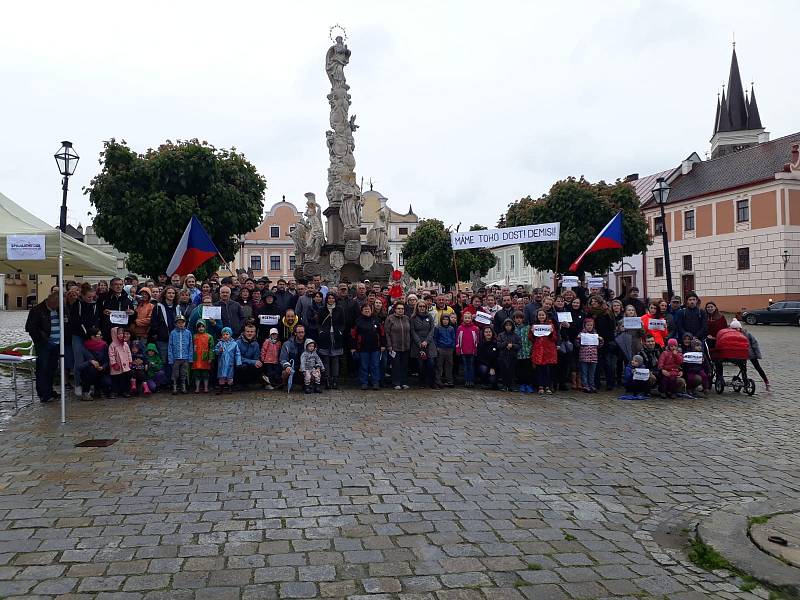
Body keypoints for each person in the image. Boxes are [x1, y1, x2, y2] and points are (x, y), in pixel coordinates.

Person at [25, 292, 61, 403]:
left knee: (52, 368)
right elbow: (30, 328)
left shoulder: (59, 309)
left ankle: (49, 391)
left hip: (57, 343)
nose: (60, 306)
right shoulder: (37, 310)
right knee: (43, 369)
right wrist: (41, 340)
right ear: (52, 302)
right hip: (44, 344)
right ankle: (43, 394)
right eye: (58, 304)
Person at [730, 319, 769, 391]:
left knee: (758, 367)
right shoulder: (731, 335)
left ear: (740, 328)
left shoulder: (747, 334)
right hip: (740, 355)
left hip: (750, 353)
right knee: (743, 369)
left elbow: (754, 344)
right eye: (733, 329)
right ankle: (745, 384)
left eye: (736, 328)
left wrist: (757, 355)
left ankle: (766, 382)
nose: (735, 330)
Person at [351, 303, 383, 391]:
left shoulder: (376, 320)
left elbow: (382, 333)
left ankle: (375, 382)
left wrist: (383, 345)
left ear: (371, 310)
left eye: (368, 309)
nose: (367, 310)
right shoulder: (358, 321)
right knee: (364, 366)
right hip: (362, 347)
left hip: (375, 347)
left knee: (375, 365)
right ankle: (364, 383)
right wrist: (353, 347)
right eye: (365, 309)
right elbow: (353, 335)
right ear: (362, 311)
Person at [317, 293, 345, 389]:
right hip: (325, 336)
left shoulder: (339, 309)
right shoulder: (322, 309)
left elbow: (342, 323)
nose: (331, 300)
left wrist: (340, 331)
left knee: (335, 358)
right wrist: (321, 331)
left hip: (336, 335)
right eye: (329, 298)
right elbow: (319, 323)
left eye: (333, 298)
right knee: (326, 358)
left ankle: (335, 380)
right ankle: (327, 379)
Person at [75, 327, 111, 400]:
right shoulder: (83, 347)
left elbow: (107, 360)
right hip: (88, 373)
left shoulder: (104, 345)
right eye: (99, 335)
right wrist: (90, 362)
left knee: (107, 382)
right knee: (91, 370)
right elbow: (78, 367)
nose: (101, 337)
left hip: (101, 371)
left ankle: (98, 390)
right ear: (92, 336)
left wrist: (103, 367)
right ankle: (86, 392)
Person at [384, 301, 411, 390]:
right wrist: (389, 345)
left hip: (406, 346)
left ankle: (404, 382)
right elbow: (387, 333)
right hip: (394, 346)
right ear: (395, 310)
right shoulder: (390, 319)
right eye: (398, 308)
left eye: (402, 309)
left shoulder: (406, 318)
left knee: (404, 365)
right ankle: (396, 382)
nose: (400, 310)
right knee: (396, 365)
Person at [410, 302, 438, 388]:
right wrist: (419, 342)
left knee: (431, 363)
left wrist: (427, 341)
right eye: (420, 306)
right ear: (417, 307)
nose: (422, 308)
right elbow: (412, 331)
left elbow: (432, 329)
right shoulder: (413, 318)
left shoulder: (429, 316)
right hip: (418, 343)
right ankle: (422, 382)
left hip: (429, 343)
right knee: (420, 364)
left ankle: (432, 382)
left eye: (423, 306)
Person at [530, 309, 557, 395]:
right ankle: (540, 386)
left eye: (543, 315)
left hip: (548, 350)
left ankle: (547, 386)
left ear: (546, 316)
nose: (541, 317)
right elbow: (531, 339)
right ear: (537, 317)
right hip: (538, 350)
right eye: (539, 315)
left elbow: (554, 339)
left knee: (547, 369)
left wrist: (552, 333)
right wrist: (531, 332)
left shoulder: (550, 325)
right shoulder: (534, 326)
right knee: (539, 369)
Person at [168, 315, 193, 395]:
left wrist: (190, 358)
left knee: (184, 373)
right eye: (179, 323)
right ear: (176, 324)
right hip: (176, 357)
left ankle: (183, 386)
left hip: (185, 357)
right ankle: (174, 387)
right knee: (175, 373)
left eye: (182, 323)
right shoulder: (173, 333)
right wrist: (170, 358)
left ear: (185, 323)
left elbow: (190, 346)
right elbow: (170, 346)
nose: (181, 324)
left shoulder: (188, 333)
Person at [455, 312, 480, 388]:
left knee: (471, 366)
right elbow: (457, 340)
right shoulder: (460, 328)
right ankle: (466, 380)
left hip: (472, 351)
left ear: (471, 319)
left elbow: (477, 340)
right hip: (463, 351)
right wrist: (458, 349)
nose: (467, 319)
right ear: (463, 318)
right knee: (465, 366)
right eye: (466, 318)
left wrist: (475, 349)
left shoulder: (475, 328)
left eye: (469, 318)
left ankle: (471, 380)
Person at [577, 317, 602, 393]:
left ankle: (592, 385)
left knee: (592, 372)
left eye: (591, 325)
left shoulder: (595, 334)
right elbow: (577, 345)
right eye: (588, 325)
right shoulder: (581, 334)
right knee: (584, 372)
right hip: (584, 357)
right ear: (584, 325)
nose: (589, 327)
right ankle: (585, 385)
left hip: (593, 356)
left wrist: (601, 340)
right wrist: (578, 339)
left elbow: (599, 346)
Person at [214, 327, 241, 394]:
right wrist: (218, 351)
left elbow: (237, 353)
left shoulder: (234, 344)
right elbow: (215, 350)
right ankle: (221, 388)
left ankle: (230, 388)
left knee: (230, 376)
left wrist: (238, 362)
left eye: (227, 334)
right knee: (221, 376)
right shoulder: (220, 343)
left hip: (230, 363)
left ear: (230, 335)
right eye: (223, 334)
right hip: (222, 363)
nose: (225, 336)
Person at [235, 323, 263, 390]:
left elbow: (256, 358)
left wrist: (256, 362)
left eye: (251, 332)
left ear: (254, 333)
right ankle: (239, 384)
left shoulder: (256, 344)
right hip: (239, 365)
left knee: (260, 365)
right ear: (244, 332)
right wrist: (252, 362)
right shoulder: (238, 342)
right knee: (243, 366)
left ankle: (252, 383)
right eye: (247, 331)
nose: (249, 333)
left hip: (249, 364)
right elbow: (237, 358)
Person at [279, 324, 307, 390]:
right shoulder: (287, 344)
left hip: (304, 368)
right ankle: (285, 384)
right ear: (295, 333)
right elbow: (283, 359)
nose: (301, 334)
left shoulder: (309, 344)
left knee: (314, 374)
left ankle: (307, 385)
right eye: (299, 332)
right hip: (292, 367)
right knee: (285, 373)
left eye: (302, 332)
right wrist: (287, 366)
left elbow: (314, 357)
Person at [496, 319, 521, 391]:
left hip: (512, 356)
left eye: (509, 325)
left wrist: (512, 345)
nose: (508, 327)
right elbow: (498, 345)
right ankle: (504, 385)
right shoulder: (501, 335)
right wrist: (506, 344)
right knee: (504, 371)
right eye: (506, 325)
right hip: (503, 356)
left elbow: (519, 345)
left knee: (512, 371)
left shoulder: (515, 335)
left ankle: (511, 385)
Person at [108, 326, 133, 398]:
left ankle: (125, 391)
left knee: (125, 379)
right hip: (116, 366)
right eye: (119, 334)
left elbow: (129, 353)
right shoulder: (112, 345)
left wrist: (130, 361)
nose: (121, 335)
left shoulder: (125, 344)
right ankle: (114, 392)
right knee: (115, 379)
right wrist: (114, 364)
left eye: (122, 333)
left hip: (125, 366)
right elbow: (111, 356)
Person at [512, 311, 533, 393]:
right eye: (517, 318)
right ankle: (522, 384)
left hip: (526, 352)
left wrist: (529, 349)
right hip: (517, 352)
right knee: (519, 370)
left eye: (520, 318)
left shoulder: (527, 327)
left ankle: (528, 384)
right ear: (514, 319)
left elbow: (531, 339)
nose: (519, 320)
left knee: (527, 369)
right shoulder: (513, 328)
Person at [192, 320, 214, 393]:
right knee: (197, 374)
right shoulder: (194, 336)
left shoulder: (209, 336)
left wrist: (210, 357)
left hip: (205, 358)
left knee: (205, 374)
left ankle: (206, 387)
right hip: (196, 358)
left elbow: (211, 348)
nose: (201, 328)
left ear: (205, 327)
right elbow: (191, 347)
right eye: (199, 327)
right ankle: (197, 388)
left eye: (202, 326)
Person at [434, 314, 456, 388]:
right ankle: (438, 380)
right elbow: (435, 338)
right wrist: (437, 347)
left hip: (449, 349)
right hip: (441, 348)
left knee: (449, 365)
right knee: (439, 365)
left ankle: (449, 380)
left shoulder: (451, 328)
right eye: (444, 319)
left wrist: (452, 346)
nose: (445, 321)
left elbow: (453, 338)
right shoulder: (438, 328)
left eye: (447, 319)